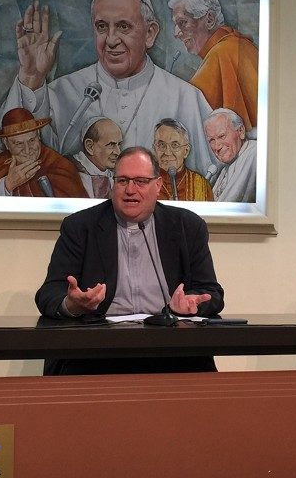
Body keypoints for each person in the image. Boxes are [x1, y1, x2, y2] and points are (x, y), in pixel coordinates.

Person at [36, 146, 224, 375]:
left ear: (158, 185)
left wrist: (189, 304)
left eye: (140, 181)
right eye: (123, 181)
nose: (130, 190)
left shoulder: (187, 227)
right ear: (113, 184)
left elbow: (212, 293)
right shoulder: (80, 227)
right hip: (99, 351)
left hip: (171, 348)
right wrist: (72, 305)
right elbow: (49, 294)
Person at [0, 0, 216, 174]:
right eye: (102, 27)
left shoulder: (185, 98)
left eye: (123, 27)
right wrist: (31, 77)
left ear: (150, 33)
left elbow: (211, 179)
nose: (111, 40)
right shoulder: (63, 90)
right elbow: (14, 156)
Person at [169, 0, 258, 134]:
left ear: (209, 19)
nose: (176, 33)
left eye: (183, 22)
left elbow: (189, 112)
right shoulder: (239, 45)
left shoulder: (222, 52)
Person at [0, 108, 86, 197]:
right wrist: (7, 184)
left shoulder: (59, 165)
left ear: (38, 135)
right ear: (6, 143)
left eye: (32, 140)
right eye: (19, 144)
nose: (27, 150)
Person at [203, 108, 256, 202]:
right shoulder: (225, 169)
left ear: (241, 131)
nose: (217, 146)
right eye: (211, 140)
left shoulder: (256, 154)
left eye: (221, 136)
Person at [153, 119, 213, 201]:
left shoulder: (201, 185)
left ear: (186, 151)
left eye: (175, 145)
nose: (168, 152)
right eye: (162, 145)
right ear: (154, 149)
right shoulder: (145, 181)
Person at [69, 116, 122, 198]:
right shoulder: (68, 171)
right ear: (90, 146)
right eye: (111, 145)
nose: (118, 152)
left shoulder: (116, 177)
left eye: (119, 145)